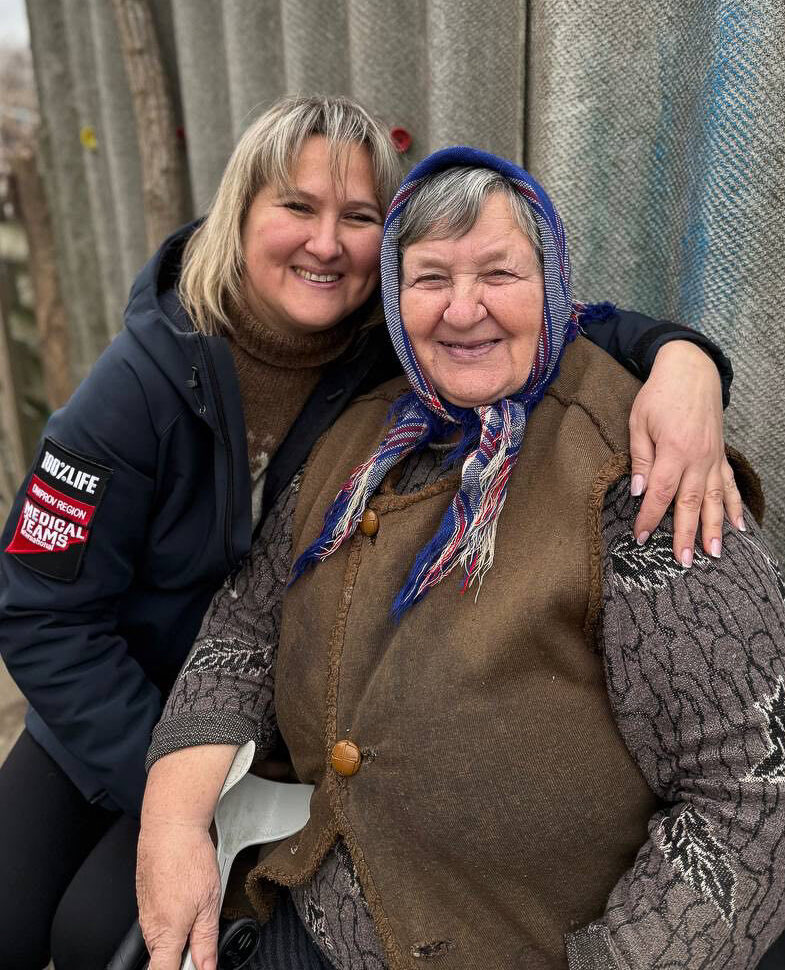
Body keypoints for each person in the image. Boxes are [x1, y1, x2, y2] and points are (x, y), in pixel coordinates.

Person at [0, 95, 737, 970]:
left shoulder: (385, 343)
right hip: (119, 698)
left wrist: (687, 362)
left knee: (94, 935)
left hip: (270, 713)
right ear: (240, 212)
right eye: (297, 208)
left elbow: (565, 324)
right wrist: (176, 791)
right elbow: (42, 611)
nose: (325, 243)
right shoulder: (133, 390)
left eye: (357, 218)